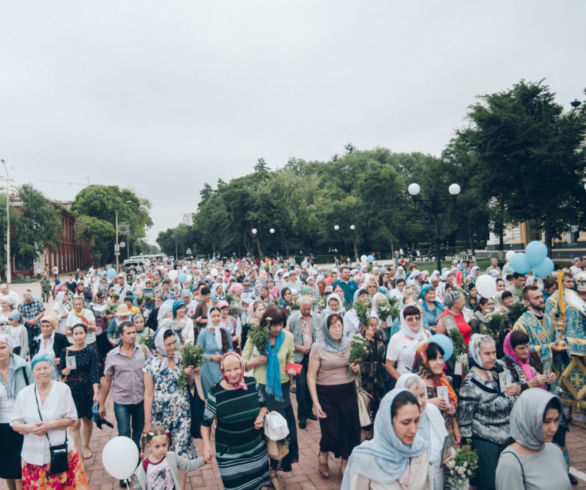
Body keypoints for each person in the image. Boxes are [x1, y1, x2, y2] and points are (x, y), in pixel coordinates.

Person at [10, 353, 89, 489]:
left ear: (52, 368)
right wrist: (30, 428)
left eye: (46, 368)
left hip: (62, 451)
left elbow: (72, 418)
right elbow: (14, 423)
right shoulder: (24, 394)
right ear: (32, 371)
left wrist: (50, 425)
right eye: (38, 369)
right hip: (32, 454)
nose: (42, 372)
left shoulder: (62, 389)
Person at [242, 306, 298, 485]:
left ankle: (274, 470)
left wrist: (292, 371)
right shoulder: (256, 336)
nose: (277, 328)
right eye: (273, 324)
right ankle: (261, 469)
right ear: (266, 323)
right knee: (262, 433)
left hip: (281, 391)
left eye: (280, 324)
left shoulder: (288, 337)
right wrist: (256, 361)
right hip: (261, 389)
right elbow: (242, 361)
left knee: (280, 431)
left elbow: (290, 358)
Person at [201, 353, 271, 490]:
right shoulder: (216, 392)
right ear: (223, 371)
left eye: (236, 368)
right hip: (230, 455)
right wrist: (206, 445)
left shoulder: (252, 383)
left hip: (256, 450)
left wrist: (261, 416)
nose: (233, 374)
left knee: (262, 485)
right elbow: (205, 424)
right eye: (228, 370)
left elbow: (263, 405)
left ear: (242, 367)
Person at [457, 334, 519, 490]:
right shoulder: (470, 383)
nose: (492, 357)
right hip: (486, 440)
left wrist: (516, 390)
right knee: (490, 483)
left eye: (493, 353)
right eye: (487, 354)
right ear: (476, 354)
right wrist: (467, 446)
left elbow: (514, 392)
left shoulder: (500, 368)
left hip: (508, 436)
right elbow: (465, 419)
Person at [341, 389, 429, 490]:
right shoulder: (365, 458)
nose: (413, 430)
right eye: (406, 422)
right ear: (388, 423)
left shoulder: (420, 450)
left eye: (417, 421)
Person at [307, 313, 360, 479]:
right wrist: (315, 402)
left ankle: (345, 462)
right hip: (326, 393)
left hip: (347, 391)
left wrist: (356, 368)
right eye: (333, 326)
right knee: (331, 430)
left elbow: (355, 367)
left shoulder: (350, 344)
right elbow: (311, 376)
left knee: (350, 429)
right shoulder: (318, 347)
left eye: (339, 325)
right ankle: (323, 453)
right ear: (326, 329)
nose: (337, 329)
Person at [143, 328, 197, 489]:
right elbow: (148, 393)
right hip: (161, 416)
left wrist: (189, 374)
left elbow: (189, 384)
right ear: (160, 344)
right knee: (162, 452)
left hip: (182, 414)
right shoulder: (150, 364)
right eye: (168, 344)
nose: (172, 347)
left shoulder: (181, 358)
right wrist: (147, 422)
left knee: (182, 452)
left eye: (174, 342)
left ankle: (181, 486)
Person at [496, 389, 571, 490]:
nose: (554, 428)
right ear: (528, 420)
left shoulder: (554, 450)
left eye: (556, 420)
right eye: (546, 421)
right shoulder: (510, 463)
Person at [99, 321, 148, 452]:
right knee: (124, 434)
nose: (132, 336)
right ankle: (126, 465)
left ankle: (137, 462)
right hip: (122, 401)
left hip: (140, 400)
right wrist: (102, 404)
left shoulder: (143, 350)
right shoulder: (112, 355)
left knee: (138, 434)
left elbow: (153, 369)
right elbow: (107, 381)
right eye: (128, 333)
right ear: (121, 335)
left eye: (134, 332)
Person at [395, 374, 448, 490]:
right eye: (413, 397)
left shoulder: (432, 411)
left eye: (422, 395)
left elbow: (444, 440)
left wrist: (449, 457)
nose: (420, 402)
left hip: (437, 480)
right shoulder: (397, 424)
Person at [58, 323, 99, 460]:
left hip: (87, 388)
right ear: (72, 335)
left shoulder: (91, 351)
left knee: (87, 419)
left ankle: (85, 446)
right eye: (76, 333)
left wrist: (96, 392)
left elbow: (94, 373)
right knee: (74, 421)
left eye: (81, 333)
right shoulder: (66, 351)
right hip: (72, 388)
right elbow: (62, 370)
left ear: (86, 334)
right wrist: (63, 371)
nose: (79, 336)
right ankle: (76, 449)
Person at [414, 339, 461, 444]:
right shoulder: (415, 382)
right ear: (424, 360)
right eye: (434, 359)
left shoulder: (443, 380)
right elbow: (408, 409)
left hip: (445, 433)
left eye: (440, 358)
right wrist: (429, 403)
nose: (440, 363)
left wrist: (455, 428)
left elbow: (452, 407)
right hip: (424, 435)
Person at [0, 334, 31, 490]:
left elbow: (35, 391)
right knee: (6, 469)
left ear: (10, 348)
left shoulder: (23, 366)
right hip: (1, 426)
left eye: (2, 347)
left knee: (20, 470)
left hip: (22, 423)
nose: (0, 351)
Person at [134, 426, 204, 490]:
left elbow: (186, 465)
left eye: (164, 445)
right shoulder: (144, 465)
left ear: (168, 443)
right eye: (157, 446)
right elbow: (138, 486)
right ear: (149, 446)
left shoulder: (171, 457)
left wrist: (203, 461)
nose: (161, 449)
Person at [287, 296, 319, 428]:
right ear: (300, 307)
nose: (307, 311)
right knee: (301, 386)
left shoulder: (316, 317)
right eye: (304, 309)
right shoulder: (293, 318)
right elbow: (287, 338)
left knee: (311, 383)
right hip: (297, 356)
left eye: (309, 309)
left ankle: (309, 411)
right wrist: (299, 348)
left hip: (312, 355)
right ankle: (301, 416)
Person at [385, 304, 430, 382]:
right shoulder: (396, 338)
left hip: (425, 381)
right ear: (404, 321)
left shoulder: (427, 335)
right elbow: (389, 365)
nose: (414, 321)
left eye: (417, 318)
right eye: (410, 319)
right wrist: (403, 381)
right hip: (405, 381)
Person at [197, 306, 233, 397]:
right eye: (213, 316)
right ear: (209, 317)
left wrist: (225, 356)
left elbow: (230, 347)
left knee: (225, 394)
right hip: (208, 368)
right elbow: (198, 352)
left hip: (223, 366)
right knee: (212, 396)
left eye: (218, 316)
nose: (216, 319)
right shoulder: (204, 333)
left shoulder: (225, 331)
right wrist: (211, 357)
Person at [18, 289, 45, 354]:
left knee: (40, 341)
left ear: (32, 297)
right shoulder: (22, 304)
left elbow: (42, 312)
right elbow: (21, 316)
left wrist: (36, 319)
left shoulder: (37, 301)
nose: (28, 301)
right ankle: (31, 355)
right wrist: (29, 321)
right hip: (28, 326)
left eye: (29, 300)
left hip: (38, 325)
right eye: (26, 300)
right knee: (29, 343)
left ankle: (40, 354)